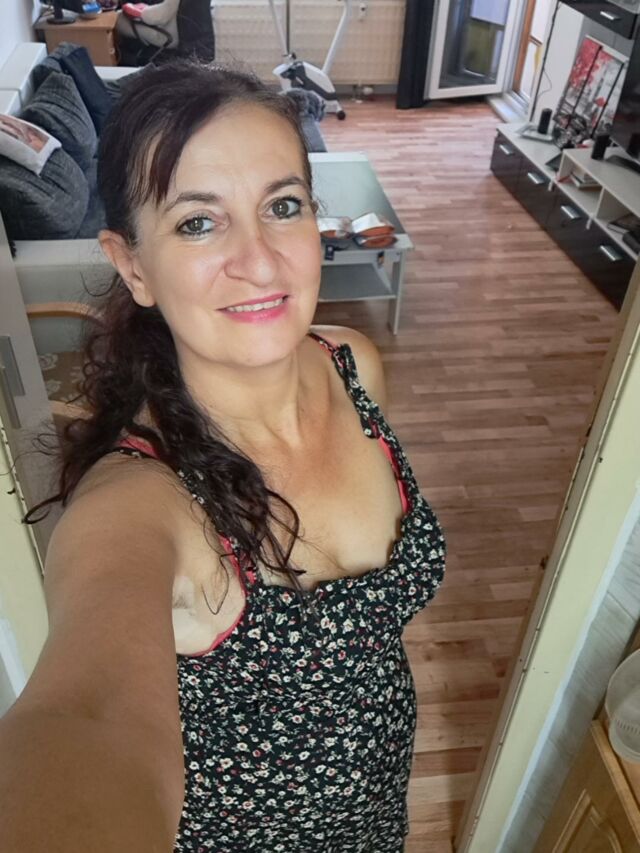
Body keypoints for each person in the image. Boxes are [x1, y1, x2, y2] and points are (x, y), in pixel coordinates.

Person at [0, 60, 446, 852]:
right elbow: (87, 720)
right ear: (133, 264)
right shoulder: (139, 504)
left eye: (283, 206)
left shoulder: (352, 365)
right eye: (198, 223)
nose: (261, 260)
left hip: (378, 809)